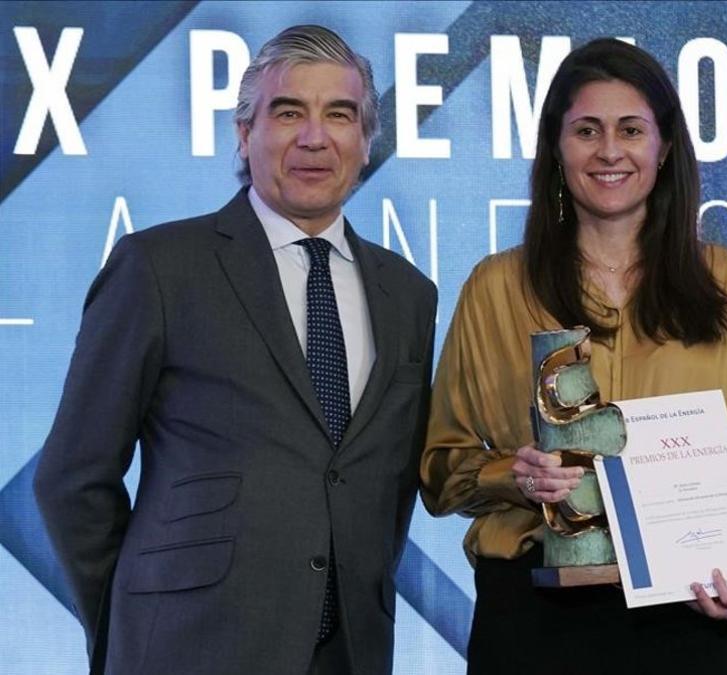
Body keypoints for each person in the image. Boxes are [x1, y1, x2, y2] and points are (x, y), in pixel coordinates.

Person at [34, 25, 436, 675]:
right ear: (244, 134)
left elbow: (381, 486)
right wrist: (133, 622)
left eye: (340, 114)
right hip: (186, 649)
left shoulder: (410, 295)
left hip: (352, 653)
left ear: (366, 143)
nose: (314, 136)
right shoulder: (159, 268)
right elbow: (70, 479)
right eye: (287, 112)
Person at [421, 38, 727, 674]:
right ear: (557, 147)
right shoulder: (495, 287)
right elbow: (440, 469)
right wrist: (517, 475)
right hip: (533, 616)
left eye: (631, 129)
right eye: (586, 130)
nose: (610, 151)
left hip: (687, 611)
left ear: (665, 146)